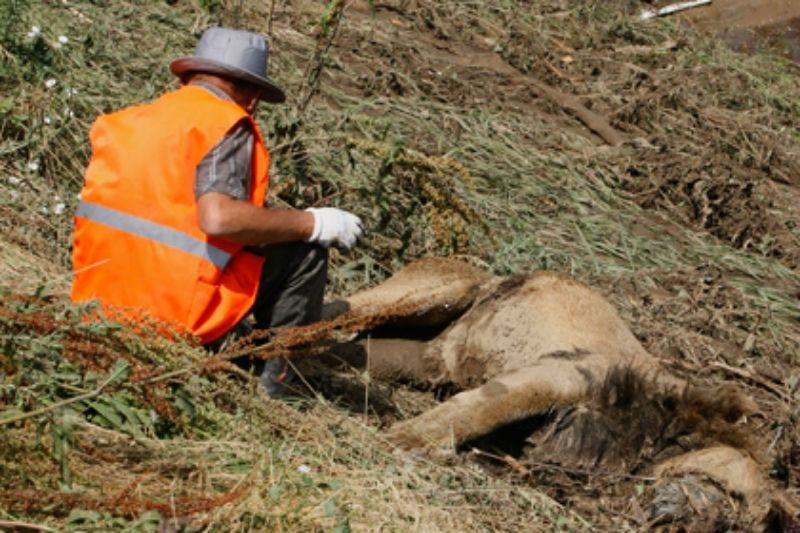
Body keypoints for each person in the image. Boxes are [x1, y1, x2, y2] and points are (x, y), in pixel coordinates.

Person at [71, 27, 363, 395]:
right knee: (305, 253)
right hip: (171, 316)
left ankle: (239, 346)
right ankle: (276, 393)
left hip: (96, 306)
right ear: (253, 97)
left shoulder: (126, 121)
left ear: (189, 77)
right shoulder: (225, 122)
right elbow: (219, 219)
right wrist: (313, 223)